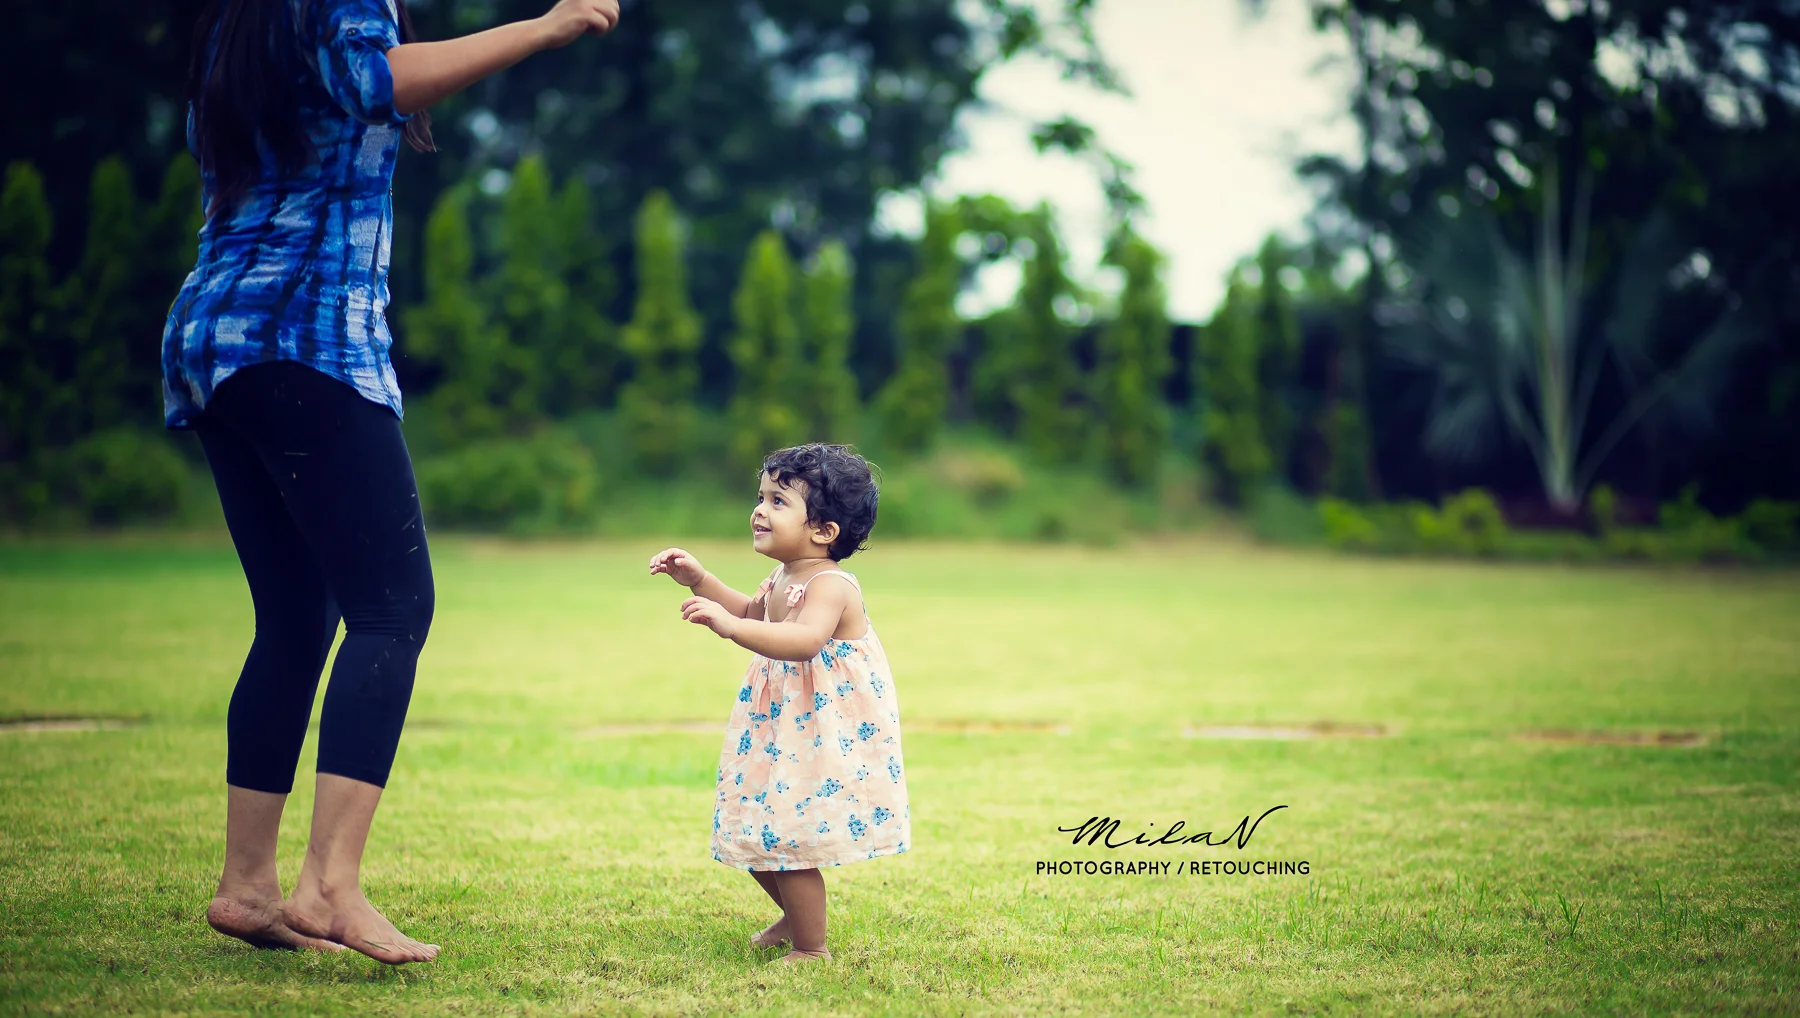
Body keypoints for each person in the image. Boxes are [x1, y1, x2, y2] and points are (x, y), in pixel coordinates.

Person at [169, 0, 622, 965]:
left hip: (218, 334)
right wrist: (545, 27)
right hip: (308, 335)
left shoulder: (239, 16)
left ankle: (248, 887)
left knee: (295, 619)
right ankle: (329, 886)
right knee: (391, 605)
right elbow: (380, 80)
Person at [648, 444, 911, 964]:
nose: (759, 510)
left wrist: (732, 629)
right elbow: (752, 610)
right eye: (760, 496)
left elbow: (804, 640)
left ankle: (812, 948)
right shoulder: (783, 576)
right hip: (779, 728)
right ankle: (795, 916)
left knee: (789, 837)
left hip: (819, 733)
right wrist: (700, 581)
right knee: (754, 831)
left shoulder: (831, 584)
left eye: (778, 501)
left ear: (823, 531)